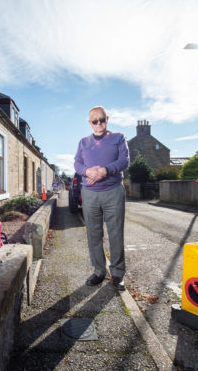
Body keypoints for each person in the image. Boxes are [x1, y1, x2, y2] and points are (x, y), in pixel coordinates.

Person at [74, 106, 130, 291]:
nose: (99, 124)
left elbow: (124, 161)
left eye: (102, 120)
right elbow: (77, 163)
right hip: (89, 193)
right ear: (89, 123)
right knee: (93, 233)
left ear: (108, 119)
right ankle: (99, 271)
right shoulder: (83, 142)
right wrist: (87, 171)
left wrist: (105, 171)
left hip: (113, 191)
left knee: (115, 233)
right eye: (95, 121)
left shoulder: (118, 138)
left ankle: (117, 274)